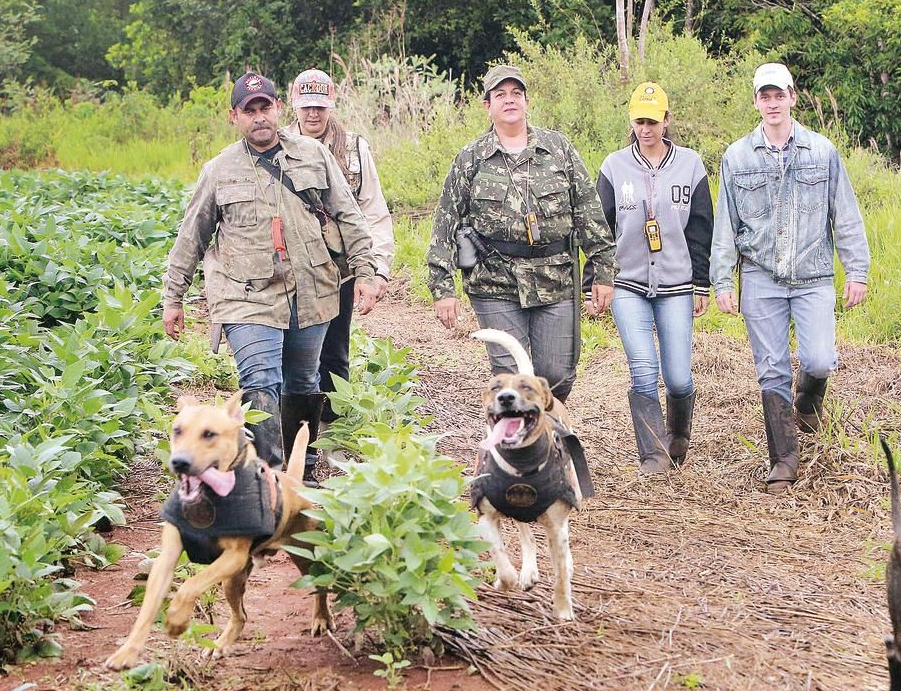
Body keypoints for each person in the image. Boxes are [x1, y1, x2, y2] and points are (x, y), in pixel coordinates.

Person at [162, 72, 381, 470]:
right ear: (235, 117)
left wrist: (366, 272)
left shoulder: (314, 156)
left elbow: (350, 216)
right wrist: (172, 298)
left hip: (311, 291)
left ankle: (303, 466)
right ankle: (269, 475)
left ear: (279, 108)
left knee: (302, 384)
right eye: (250, 111)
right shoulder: (219, 170)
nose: (260, 117)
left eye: (266, 107)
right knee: (260, 382)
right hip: (244, 294)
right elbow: (191, 236)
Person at [710, 62, 870, 492]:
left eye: (779, 95)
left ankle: (808, 399)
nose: (773, 103)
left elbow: (846, 215)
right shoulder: (737, 157)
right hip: (761, 276)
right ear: (756, 102)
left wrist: (857, 270)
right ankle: (783, 459)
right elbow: (726, 223)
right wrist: (722, 280)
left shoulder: (822, 151)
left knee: (819, 359)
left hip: (813, 275)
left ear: (793, 97)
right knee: (771, 369)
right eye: (765, 96)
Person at [426, 64, 619, 402]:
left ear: (527, 101)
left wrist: (603, 271)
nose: (509, 100)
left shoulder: (558, 149)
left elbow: (589, 211)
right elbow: (445, 223)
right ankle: (517, 446)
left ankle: (545, 435)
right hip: (494, 282)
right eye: (500, 94)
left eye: (516, 93)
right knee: (511, 377)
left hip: (555, 279)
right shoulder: (470, 159)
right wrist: (443, 288)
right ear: (487, 106)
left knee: (556, 375)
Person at [596, 82, 713, 474]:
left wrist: (702, 284)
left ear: (667, 119)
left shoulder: (691, 165)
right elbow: (601, 228)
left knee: (678, 377)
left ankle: (677, 438)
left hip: (677, 284)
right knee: (643, 367)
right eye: (639, 121)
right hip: (628, 282)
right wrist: (597, 279)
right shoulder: (614, 167)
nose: (645, 129)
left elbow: (700, 229)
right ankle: (652, 456)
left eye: (652, 120)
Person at [286, 68, 396, 438]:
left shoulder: (354, 149)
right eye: (306, 107)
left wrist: (377, 271)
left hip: (340, 271)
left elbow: (374, 211)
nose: (313, 114)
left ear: (331, 105)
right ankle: (296, 430)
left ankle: (333, 430)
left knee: (335, 350)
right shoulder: (278, 146)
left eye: (320, 106)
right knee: (295, 352)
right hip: (293, 271)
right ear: (293, 106)